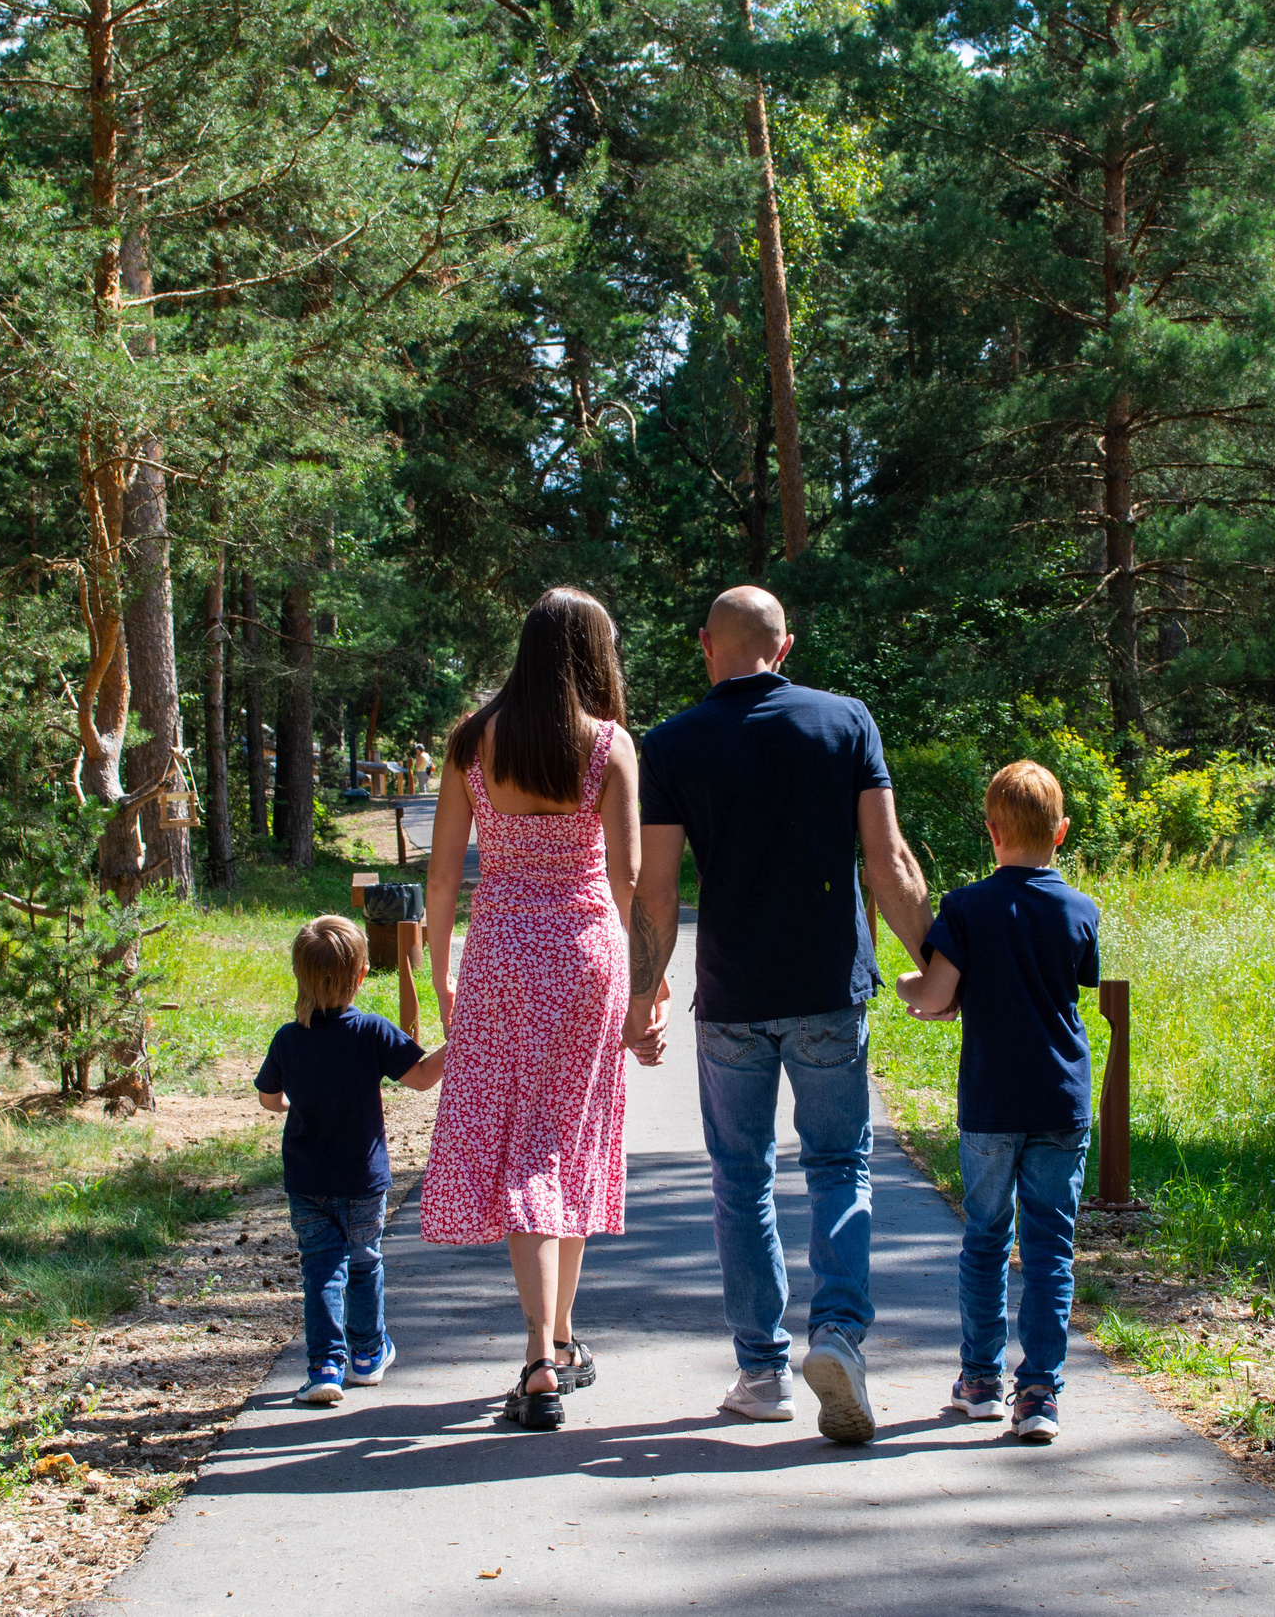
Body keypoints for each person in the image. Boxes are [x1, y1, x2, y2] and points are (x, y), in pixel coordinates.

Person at [626, 586, 933, 1444]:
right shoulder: (846, 723)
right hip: (830, 987)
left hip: (731, 999)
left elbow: (655, 892)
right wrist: (941, 961)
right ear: (785, 646)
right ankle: (836, 1335)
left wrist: (642, 996)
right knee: (839, 1164)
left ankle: (762, 1371)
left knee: (741, 1175)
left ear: (705, 646)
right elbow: (889, 859)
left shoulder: (674, 742)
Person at [422, 587, 654, 1431]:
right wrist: (647, 987)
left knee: (530, 1139)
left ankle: (552, 1338)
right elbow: (628, 882)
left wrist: (438, 971)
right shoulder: (609, 746)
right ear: (594, 654)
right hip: (585, 957)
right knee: (566, 1136)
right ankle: (541, 1358)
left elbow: (443, 876)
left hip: (500, 960)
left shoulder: (472, 741)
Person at [893, 760, 1100, 1446]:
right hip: (1060, 1101)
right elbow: (1075, 983)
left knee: (986, 1239)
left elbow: (933, 995)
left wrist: (904, 983)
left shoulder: (967, 908)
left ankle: (979, 1381)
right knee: (1050, 1249)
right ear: (1061, 832)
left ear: (991, 831)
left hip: (989, 1103)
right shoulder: (1079, 910)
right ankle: (1038, 1392)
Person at [255, 915, 446, 1406]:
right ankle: (366, 1356)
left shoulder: (287, 1039)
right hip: (362, 1180)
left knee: (321, 1268)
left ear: (299, 975)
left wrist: (290, 1105)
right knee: (364, 1262)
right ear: (361, 975)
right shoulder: (371, 1032)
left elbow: (269, 1098)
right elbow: (423, 1077)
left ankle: (324, 1367)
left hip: (307, 1178)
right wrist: (464, 1041)